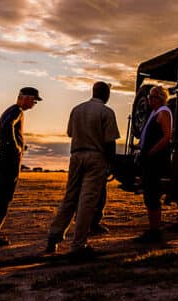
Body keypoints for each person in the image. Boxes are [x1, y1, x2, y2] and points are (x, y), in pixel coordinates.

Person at [46, 81, 120, 258]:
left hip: (76, 156)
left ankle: (54, 236)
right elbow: (110, 142)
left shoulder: (77, 109)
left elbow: (71, 133)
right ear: (106, 95)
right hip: (96, 157)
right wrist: (111, 164)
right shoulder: (107, 112)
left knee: (70, 197)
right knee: (87, 201)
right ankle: (78, 244)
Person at [0, 86, 41, 248]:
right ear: (25, 98)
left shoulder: (10, 110)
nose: (34, 104)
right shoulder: (17, 111)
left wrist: (17, 144)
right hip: (9, 160)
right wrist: (15, 147)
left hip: (4, 158)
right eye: (34, 100)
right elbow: (6, 129)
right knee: (2, 198)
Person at [134, 84, 173, 243]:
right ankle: (153, 230)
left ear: (159, 99)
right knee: (149, 194)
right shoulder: (155, 112)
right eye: (149, 96)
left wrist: (150, 152)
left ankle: (155, 232)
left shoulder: (163, 112)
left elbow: (167, 136)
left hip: (155, 160)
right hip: (149, 159)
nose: (148, 99)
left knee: (152, 194)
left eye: (152, 96)